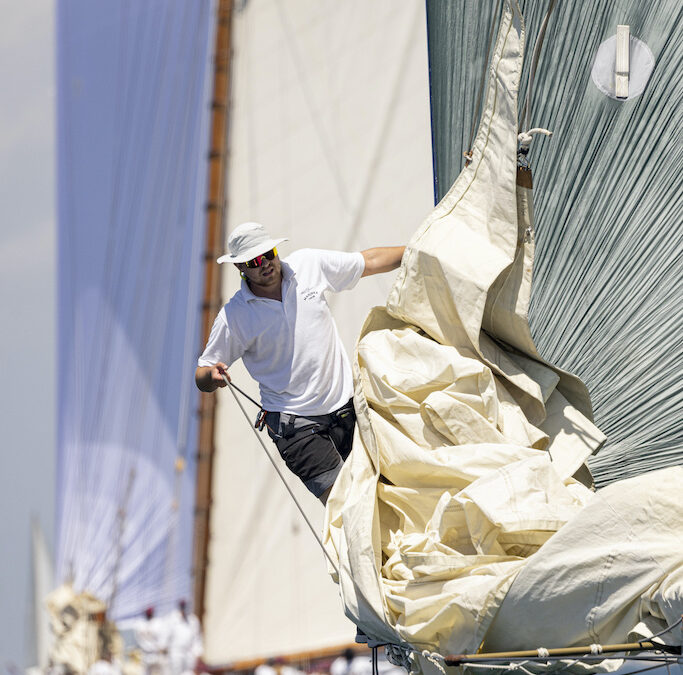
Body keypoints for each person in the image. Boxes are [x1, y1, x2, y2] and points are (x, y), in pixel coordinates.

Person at [195, 221, 404, 504]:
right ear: (240, 268)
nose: (265, 263)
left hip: (346, 406)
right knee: (345, 509)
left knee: (387, 495)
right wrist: (212, 376)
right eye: (254, 261)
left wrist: (416, 251)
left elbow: (368, 261)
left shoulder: (308, 265)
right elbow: (202, 374)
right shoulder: (234, 316)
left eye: (269, 253)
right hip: (296, 428)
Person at [166, 599, 203, 675]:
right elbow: (167, 636)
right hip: (175, 652)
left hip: (189, 653)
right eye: (182, 607)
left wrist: (197, 652)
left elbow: (197, 638)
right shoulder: (172, 619)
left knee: (189, 673)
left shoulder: (193, 620)